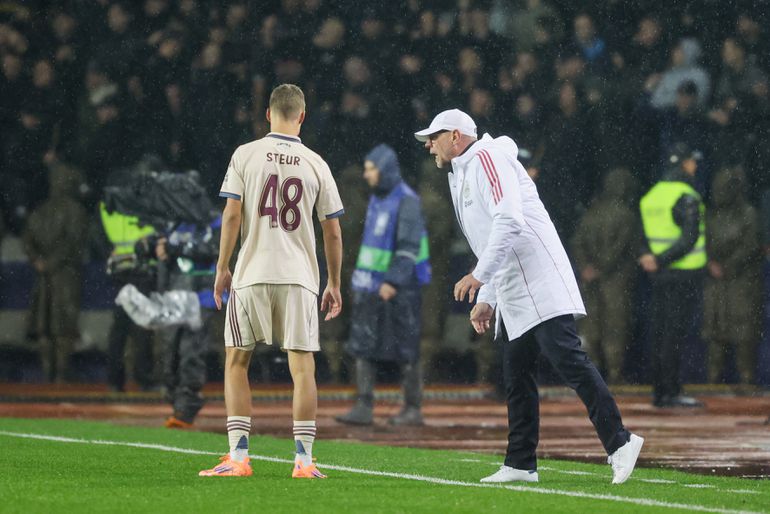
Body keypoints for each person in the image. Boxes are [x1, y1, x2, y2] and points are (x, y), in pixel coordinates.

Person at [415, 109, 643, 485]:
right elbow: (492, 239)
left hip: (538, 280)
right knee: (516, 375)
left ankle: (621, 441)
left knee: (570, 363)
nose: (428, 145)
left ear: (456, 136)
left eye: (434, 136)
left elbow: (510, 220)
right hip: (514, 288)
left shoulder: (487, 159)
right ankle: (521, 462)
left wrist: (478, 276)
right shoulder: (464, 172)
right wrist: (488, 296)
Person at [199, 84, 343, 479]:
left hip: (252, 272)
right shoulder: (316, 162)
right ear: (302, 115)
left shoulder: (245, 154)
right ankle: (304, 461)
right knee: (302, 368)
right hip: (299, 277)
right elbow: (331, 230)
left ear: (268, 114)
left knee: (237, 361)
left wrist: (222, 266)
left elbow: (232, 216)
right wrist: (334, 282)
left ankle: (239, 457)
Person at [336, 144, 431, 426]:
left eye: (371, 169)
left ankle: (413, 408)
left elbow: (408, 247)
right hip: (370, 285)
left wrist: (393, 281)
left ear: (385, 170)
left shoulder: (407, 201)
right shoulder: (378, 198)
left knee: (407, 347)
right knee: (362, 343)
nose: (366, 175)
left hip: (400, 287)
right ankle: (363, 406)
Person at [639, 142, 707, 408]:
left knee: (660, 332)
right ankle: (671, 391)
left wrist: (650, 258)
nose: (695, 165)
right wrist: (661, 259)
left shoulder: (652, 195)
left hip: (658, 276)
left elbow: (642, 234)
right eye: (692, 161)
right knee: (675, 334)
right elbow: (690, 238)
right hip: (683, 275)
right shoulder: (686, 195)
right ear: (683, 164)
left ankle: (660, 391)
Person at [571, 168, 639, 384]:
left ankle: (591, 374)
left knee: (590, 327)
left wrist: (586, 268)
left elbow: (576, 242)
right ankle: (615, 374)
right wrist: (602, 267)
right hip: (616, 281)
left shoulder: (591, 213)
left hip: (589, 280)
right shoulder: (627, 214)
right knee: (615, 327)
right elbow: (621, 247)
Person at [23, 156, 87, 382]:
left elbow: (27, 240)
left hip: (45, 275)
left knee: (46, 326)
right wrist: (50, 262)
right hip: (65, 275)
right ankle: (59, 374)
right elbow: (74, 244)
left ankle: (50, 374)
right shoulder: (76, 211)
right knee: (62, 326)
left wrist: (39, 261)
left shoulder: (40, 210)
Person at [156, 214, 222, 428]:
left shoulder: (213, 221)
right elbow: (163, 257)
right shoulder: (172, 223)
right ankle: (177, 403)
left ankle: (186, 408)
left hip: (200, 296)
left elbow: (214, 250)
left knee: (190, 352)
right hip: (174, 297)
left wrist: (180, 249)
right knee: (170, 353)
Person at [702, 166, 761, 386]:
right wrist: (710, 263)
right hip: (716, 283)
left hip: (742, 282)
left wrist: (729, 265)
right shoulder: (710, 214)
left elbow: (751, 244)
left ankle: (747, 381)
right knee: (715, 330)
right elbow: (701, 241)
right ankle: (713, 381)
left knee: (744, 331)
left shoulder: (748, 213)